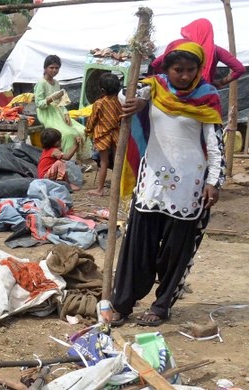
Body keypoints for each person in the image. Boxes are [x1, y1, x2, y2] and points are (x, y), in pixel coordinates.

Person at [111, 40, 223, 327]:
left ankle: (162, 306)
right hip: (152, 183)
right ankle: (122, 303)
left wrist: (214, 181)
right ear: (166, 68)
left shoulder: (208, 96)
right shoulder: (154, 86)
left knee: (177, 250)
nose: (184, 76)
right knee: (137, 246)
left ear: (199, 69)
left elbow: (214, 142)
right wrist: (140, 101)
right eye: (177, 70)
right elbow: (124, 98)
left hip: (190, 185)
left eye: (190, 70)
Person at [151, 18, 245, 89]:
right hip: (203, 91)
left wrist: (168, 77)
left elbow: (155, 64)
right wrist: (221, 82)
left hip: (178, 90)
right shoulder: (216, 50)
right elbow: (239, 69)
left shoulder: (183, 47)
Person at [34, 55, 90, 160]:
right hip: (48, 114)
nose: (54, 70)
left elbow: (60, 102)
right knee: (68, 134)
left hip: (59, 112)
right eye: (51, 67)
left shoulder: (56, 83)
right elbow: (38, 103)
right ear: (45, 68)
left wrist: (66, 114)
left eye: (57, 68)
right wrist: (50, 99)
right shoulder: (41, 83)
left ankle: (79, 159)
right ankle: (67, 160)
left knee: (82, 130)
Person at [85, 73, 122, 196]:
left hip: (102, 135)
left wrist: (88, 130)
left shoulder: (99, 103)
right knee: (118, 161)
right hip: (117, 133)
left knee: (104, 163)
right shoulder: (119, 101)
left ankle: (99, 189)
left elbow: (92, 119)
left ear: (102, 89)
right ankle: (119, 188)